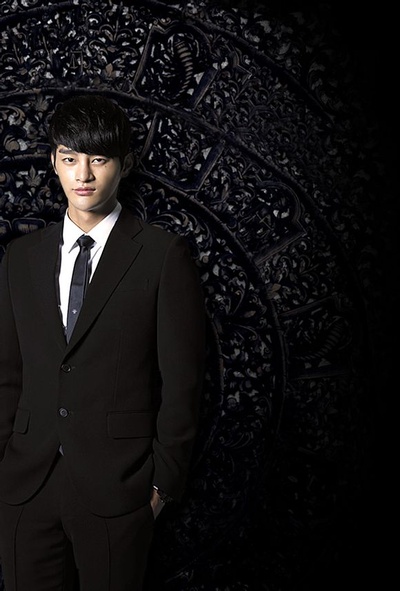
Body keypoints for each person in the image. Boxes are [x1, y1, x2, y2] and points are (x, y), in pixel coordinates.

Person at [0, 94, 206, 591]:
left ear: (124, 164)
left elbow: (183, 382)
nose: (84, 175)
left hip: (119, 488)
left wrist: (161, 486)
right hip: (26, 486)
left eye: (98, 159)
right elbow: (6, 373)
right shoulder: (20, 258)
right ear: (54, 162)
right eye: (70, 158)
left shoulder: (161, 256)